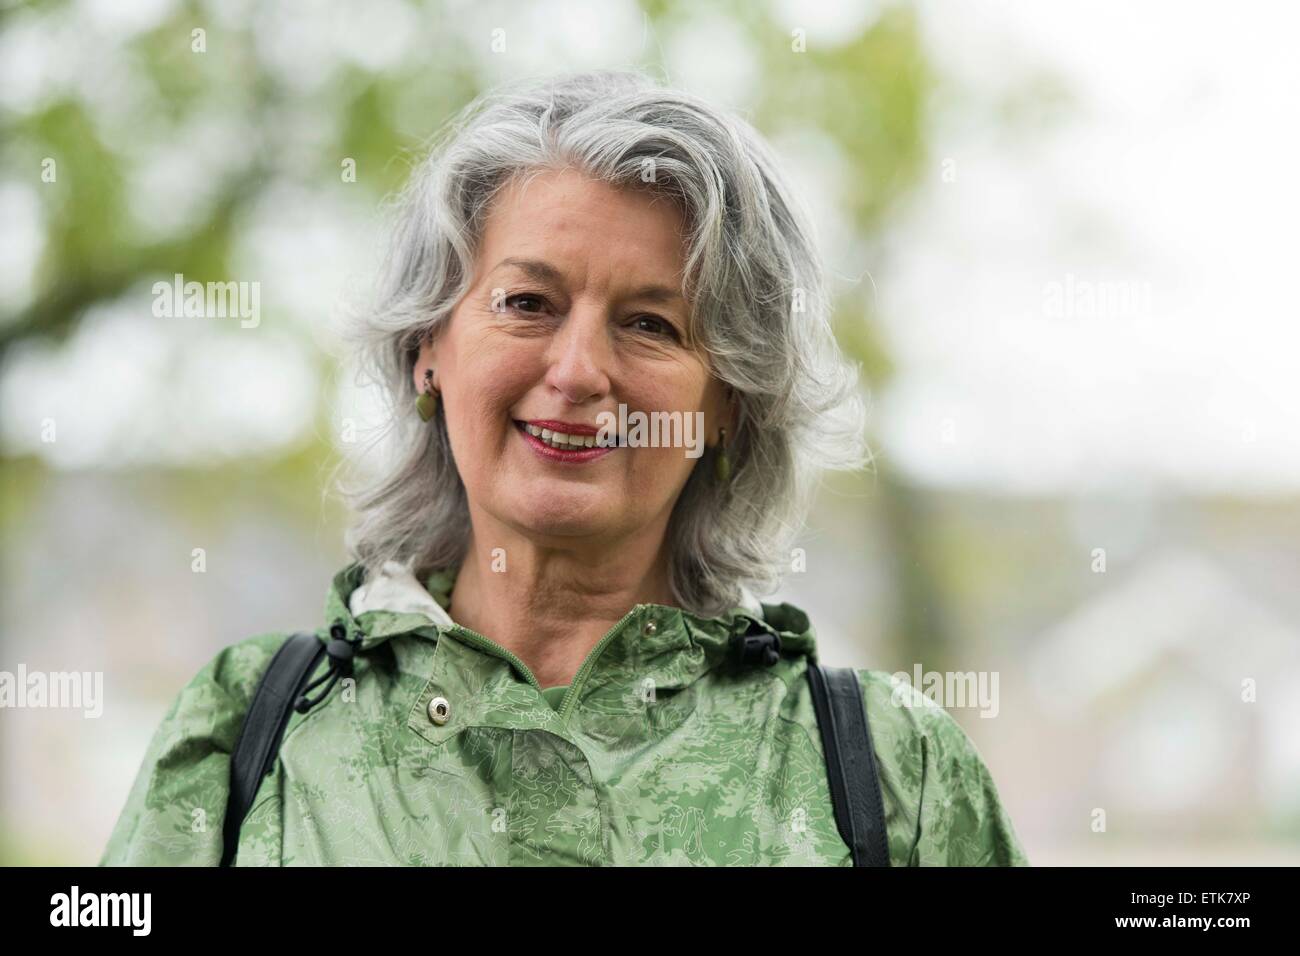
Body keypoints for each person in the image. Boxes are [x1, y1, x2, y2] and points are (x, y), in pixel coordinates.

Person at [101, 70, 1028, 866]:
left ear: (730, 406)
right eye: (528, 302)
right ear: (430, 344)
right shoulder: (244, 735)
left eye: (651, 324)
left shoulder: (886, 771)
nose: (580, 371)